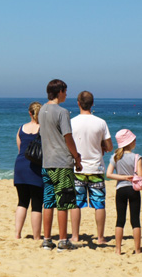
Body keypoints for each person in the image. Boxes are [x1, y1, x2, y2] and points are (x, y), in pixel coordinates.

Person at [38, 79, 82, 252]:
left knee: (48, 201)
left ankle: (47, 240)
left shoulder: (42, 110)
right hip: (61, 162)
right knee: (63, 201)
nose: (66, 94)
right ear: (59, 92)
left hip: (46, 161)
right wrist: (76, 157)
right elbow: (68, 137)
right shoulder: (62, 112)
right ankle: (63, 240)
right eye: (65, 91)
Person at [70, 91, 113, 244]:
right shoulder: (101, 122)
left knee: (76, 203)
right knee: (99, 204)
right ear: (93, 104)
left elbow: (68, 144)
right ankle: (100, 237)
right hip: (96, 168)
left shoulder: (72, 122)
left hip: (77, 168)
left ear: (78, 103)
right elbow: (109, 147)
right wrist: (100, 144)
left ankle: (75, 236)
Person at [106, 129, 142, 255]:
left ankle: (118, 250)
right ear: (131, 143)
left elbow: (109, 174)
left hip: (120, 190)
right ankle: (137, 250)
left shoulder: (115, 157)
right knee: (135, 220)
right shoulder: (137, 157)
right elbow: (140, 176)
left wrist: (123, 177)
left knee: (120, 220)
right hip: (133, 190)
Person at [13, 102, 43, 240]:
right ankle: (36, 236)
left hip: (20, 166)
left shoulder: (21, 128)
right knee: (36, 204)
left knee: (22, 202)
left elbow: (20, 149)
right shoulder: (44, 129)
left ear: (29, 113)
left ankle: (17, 233)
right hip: (36, 167)